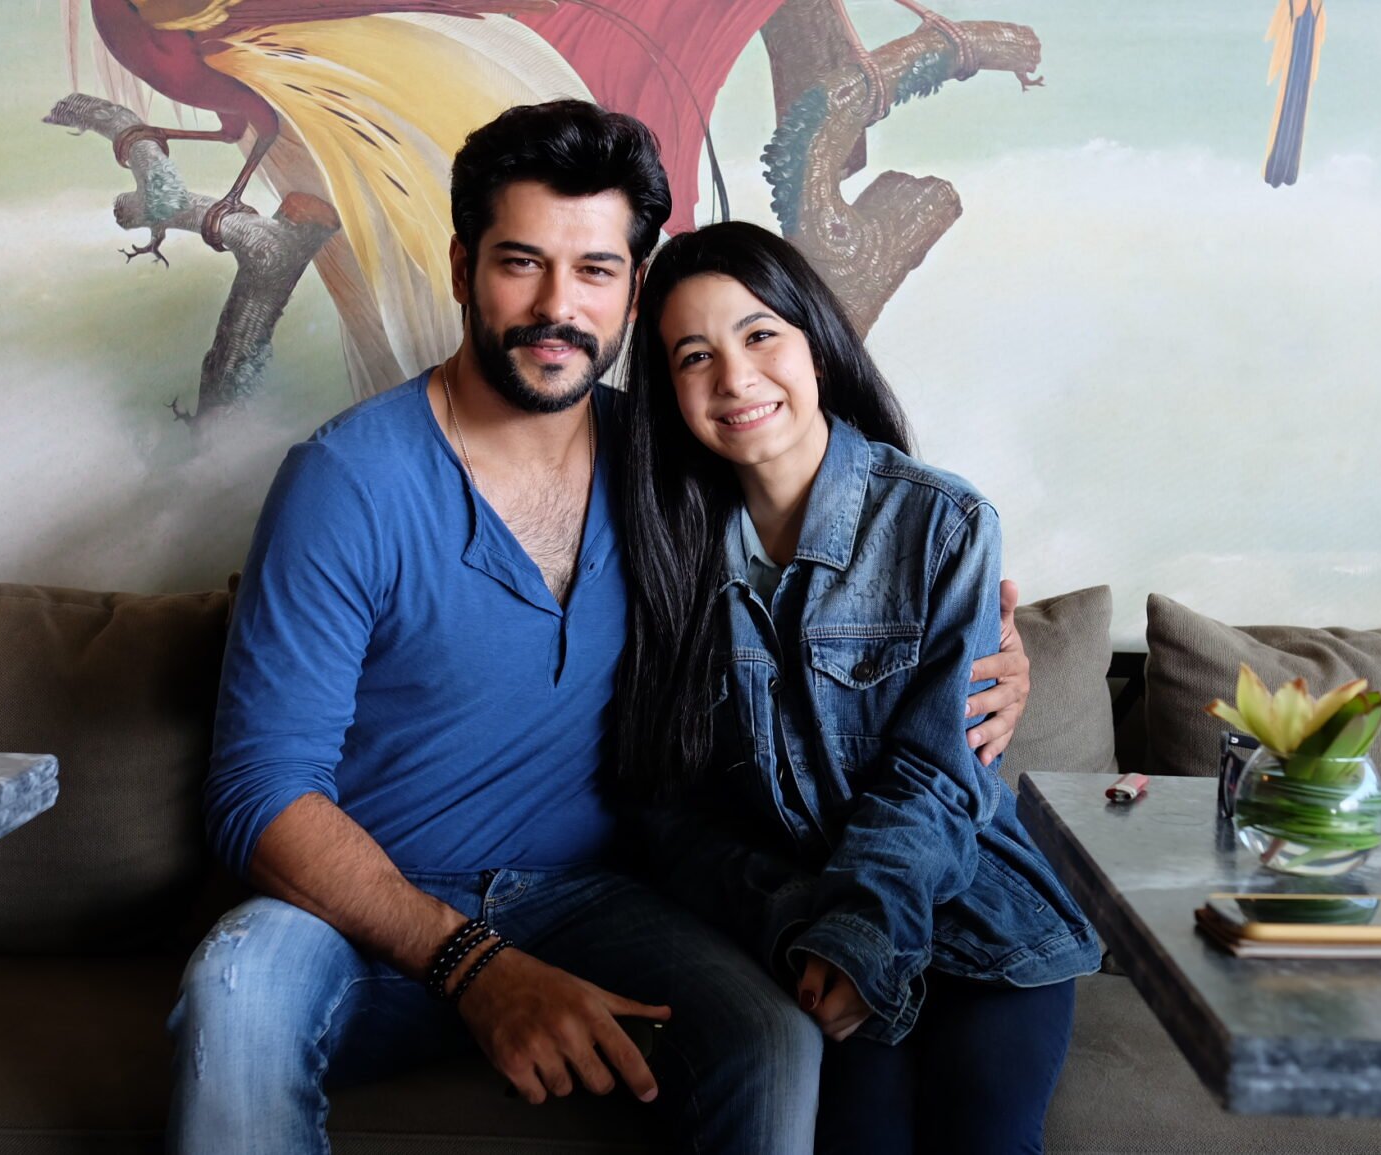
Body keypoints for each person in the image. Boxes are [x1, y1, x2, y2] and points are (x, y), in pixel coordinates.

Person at [166, 101, 1030, 1155]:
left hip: (598, 901)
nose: (556, 307)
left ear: (634, 287)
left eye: (595, 271)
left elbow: (842, 584)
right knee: (234, 993)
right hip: (362, 912)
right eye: (520, 264)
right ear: (461, 268)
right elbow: (258, 792)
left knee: (771, 1041)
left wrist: (985, 660)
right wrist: (473, 964)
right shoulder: (344, 482)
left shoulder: (677, 464)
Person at [614, 221, 1103, 1155]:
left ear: (817, 344)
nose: (735, 377)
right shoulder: (663, 553)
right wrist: (801, 928)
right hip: (801, 927)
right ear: (669, 391)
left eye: (760, 334)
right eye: (694, 355)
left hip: (979, 915)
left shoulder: (942, 521)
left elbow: (938, 773)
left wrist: (861, 936)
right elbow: (671, 808)